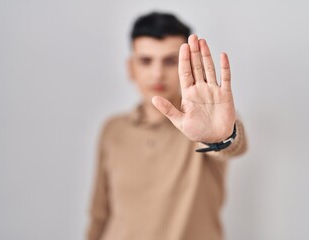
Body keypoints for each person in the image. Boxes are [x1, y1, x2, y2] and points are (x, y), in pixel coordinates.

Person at [86, 11, 248, 240]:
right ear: (131, 68)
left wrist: (221, 138)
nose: (157, 74)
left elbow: (234, 146)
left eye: (170, 61)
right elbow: (99, 214)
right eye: (146, 61)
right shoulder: (113, 129)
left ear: (189, 66)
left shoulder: (208, 124)